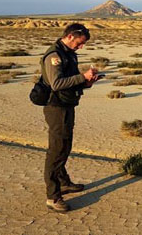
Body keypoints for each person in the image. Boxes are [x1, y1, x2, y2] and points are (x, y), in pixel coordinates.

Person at [41, 23, 100, 212]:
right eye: (79, 43)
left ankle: (64, 182)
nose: (81, 47)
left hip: (67, 105)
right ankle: (53, 196)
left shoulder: (69, 54)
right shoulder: (54, 56)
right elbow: (57, 83)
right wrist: (82, 77)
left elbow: (71, 82)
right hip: (56, 107)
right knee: (57, 150)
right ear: (69, 37)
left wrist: (87, 83)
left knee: (65, 146)